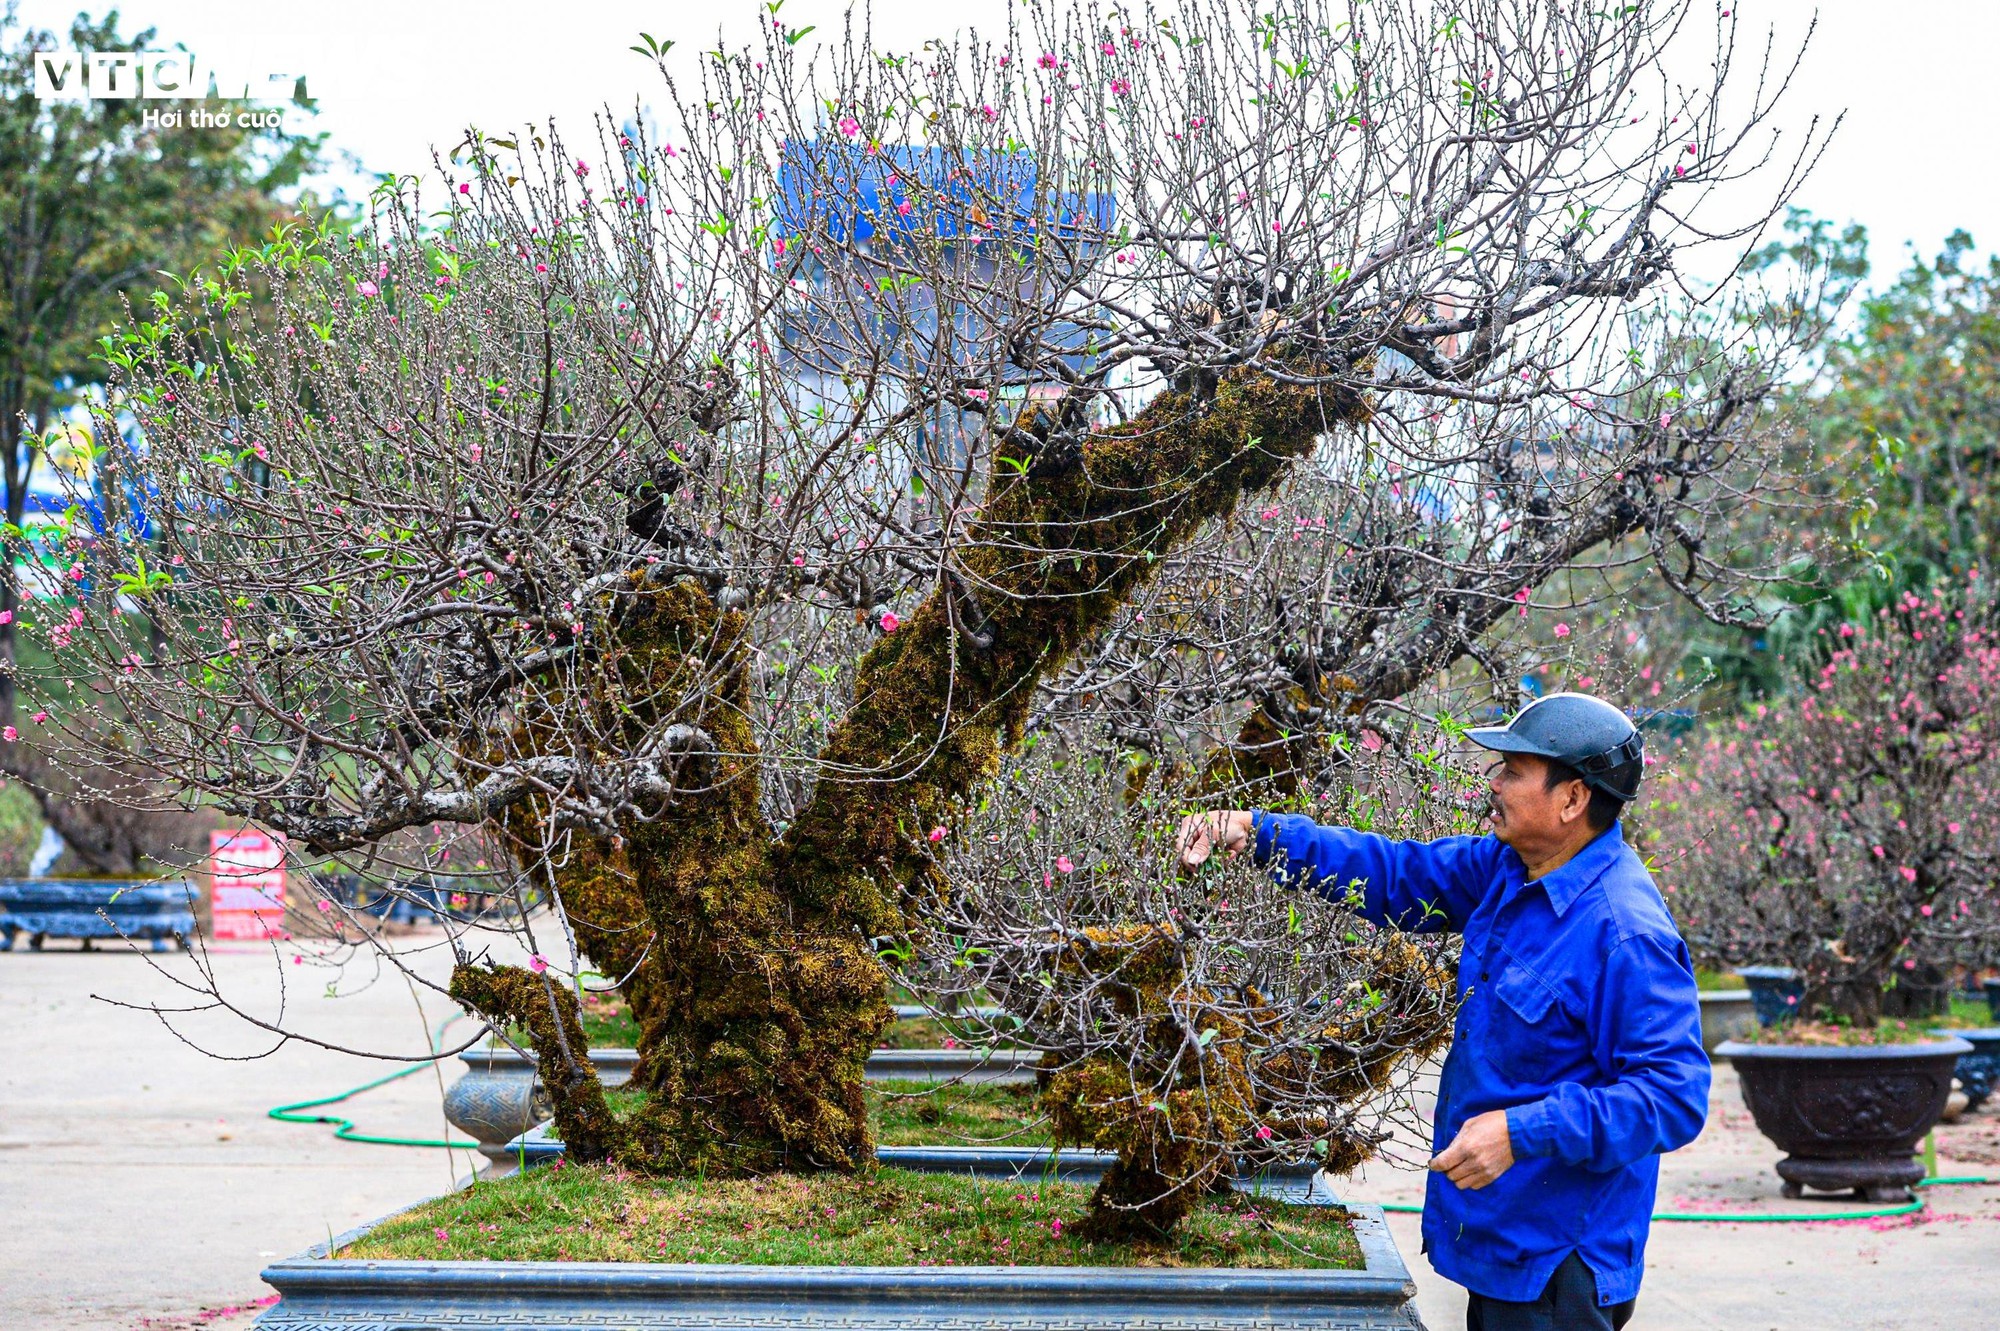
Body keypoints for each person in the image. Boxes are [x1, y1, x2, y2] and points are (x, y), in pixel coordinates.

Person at [1177, 693, 1708, 1331]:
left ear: (1572, 800)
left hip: (1560, 1265)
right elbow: (1397, 874)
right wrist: (1258, 833)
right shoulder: (1511, 870)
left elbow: (1673, 1096)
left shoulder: (1624, 934)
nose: (1495, 783)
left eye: (1514, 771)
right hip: (1505, 1242)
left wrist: (1521, 1132)